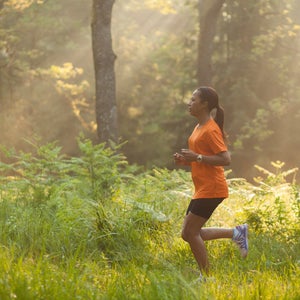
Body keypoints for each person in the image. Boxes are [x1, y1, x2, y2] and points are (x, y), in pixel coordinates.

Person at [173, 86, 248, 280]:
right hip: (202, 188)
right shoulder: (199, 127)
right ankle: (236, 233)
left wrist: (196, 157)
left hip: (212, 188)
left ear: (205, 104)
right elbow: (203, 157)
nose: (189, 103)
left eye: (193, 100)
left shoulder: (211, 129)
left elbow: (225, 159)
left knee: (190, 232)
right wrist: (187, 160)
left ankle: (206, 277)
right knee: (188, 233)